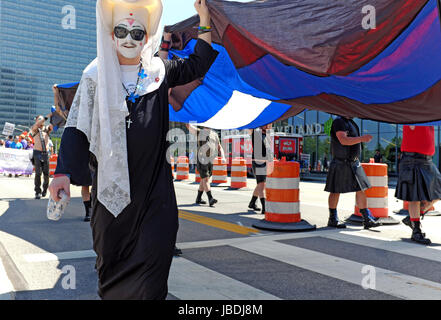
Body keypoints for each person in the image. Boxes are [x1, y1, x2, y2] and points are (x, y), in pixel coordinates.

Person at [49, 0, 218, 300]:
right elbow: (77, 127)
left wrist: (204, 18)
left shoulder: (159, 71)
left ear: (146, 35)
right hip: (111, 202)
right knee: (113, 276)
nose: (128, 38)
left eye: (137, 32)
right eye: (122, 30)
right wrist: (62, 173)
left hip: (155, 196)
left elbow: (198, 63)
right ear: (111, 34)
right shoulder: (94, 73)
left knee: (153, 274)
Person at [324, 116, 380, 229]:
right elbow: (343, 140)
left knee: (361, 189)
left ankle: (366, 219)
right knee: (335, 190)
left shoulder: (351, 123)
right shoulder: (339, 122)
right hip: (341, 162)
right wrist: (361, 139)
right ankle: (332, 219)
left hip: (354, 162)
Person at [395, 126, 441, 245]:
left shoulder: (430, 114)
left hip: (427, 160)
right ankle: (416, 231)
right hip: (412, 159)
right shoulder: (413, 112)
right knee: (414, 197)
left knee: (438, 192)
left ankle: (412, 218)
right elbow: (410, 124)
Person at [187, 123, 225, 207]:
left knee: (204, 179)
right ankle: (210, 198)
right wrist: (186, 116)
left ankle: (198, 198)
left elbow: (219, 147)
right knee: (206, 179)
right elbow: (188, 126)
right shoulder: (199, 132)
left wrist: (223, 157)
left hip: (211, 160)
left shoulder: (214, 134)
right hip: (202, 159)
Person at [248, 124, 273, 214]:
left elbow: (268, 151)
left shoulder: (266, 136)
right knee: (261, 184)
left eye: (270, 125)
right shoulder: (256, 132)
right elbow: (250, 126)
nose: (269, 126)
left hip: (264, 163)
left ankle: (252, 202)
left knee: (261, 184)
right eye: (267, 125)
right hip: (258, 162)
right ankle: (264, 207)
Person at [29, 116, 51, 199]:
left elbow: (52, 126)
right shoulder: (34, 128)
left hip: (45, 153)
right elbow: (37, 124)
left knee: (46, 174)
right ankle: (37, 191)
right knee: (38, 173)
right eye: (39, 119)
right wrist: (46, 117)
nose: (41, 121)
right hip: (37, 153)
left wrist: (54, 115)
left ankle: (45, 189)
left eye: (42, 119)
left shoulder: (47, 129)